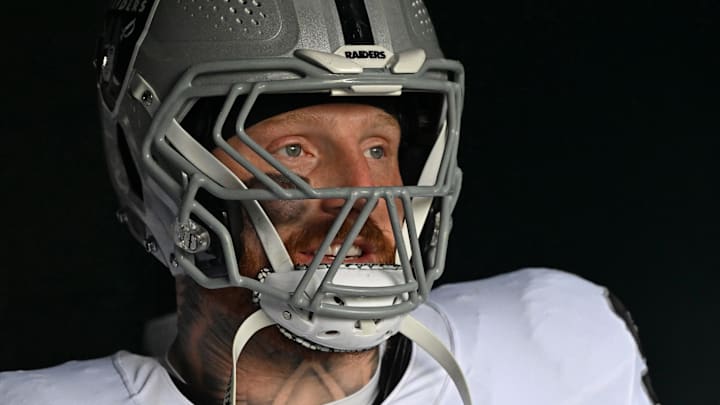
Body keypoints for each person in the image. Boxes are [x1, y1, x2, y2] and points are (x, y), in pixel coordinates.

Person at [0, 1, 660, 404]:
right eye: (296, 151)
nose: (366, 192)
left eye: (379, 147)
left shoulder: (556, 345)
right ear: (162, 173)